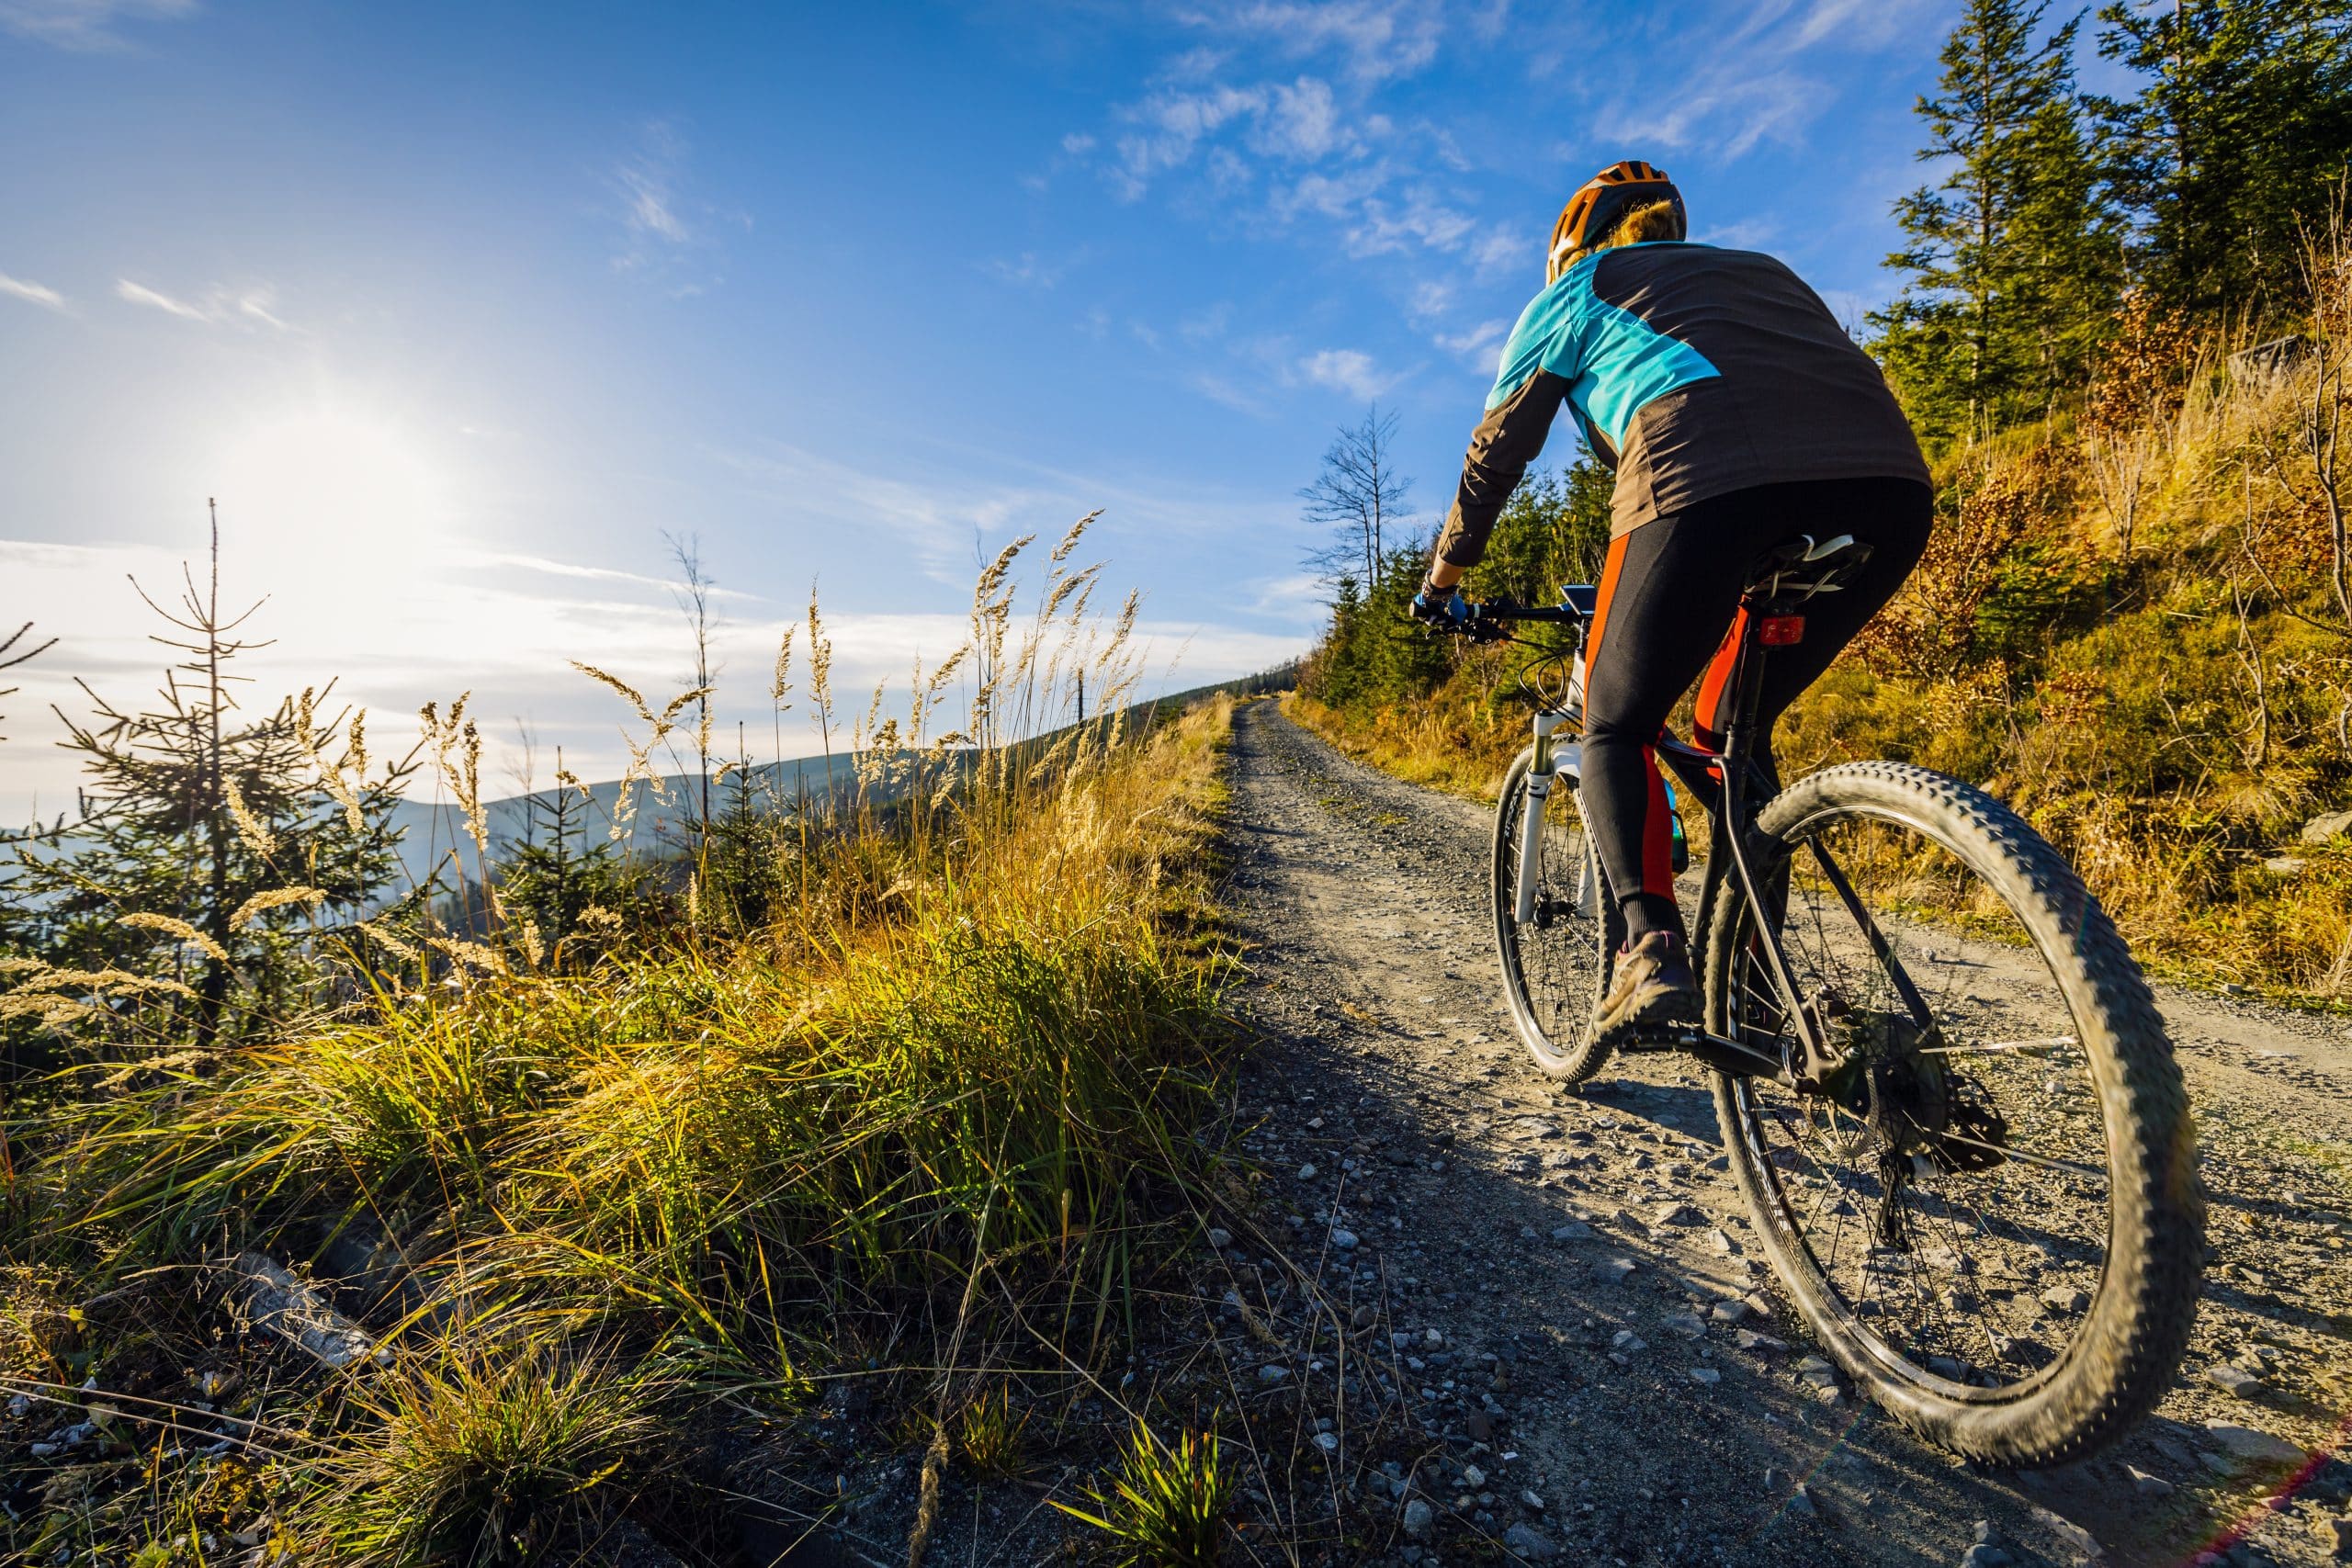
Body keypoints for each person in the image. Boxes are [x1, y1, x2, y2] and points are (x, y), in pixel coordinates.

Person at [1412, 160, 1932, 1043]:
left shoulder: (1576, 290)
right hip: (1888, 486)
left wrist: (1443, 584)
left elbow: (1494, 456)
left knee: (1611, 722)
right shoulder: (1760, 268)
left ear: (1569, 247)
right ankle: (1762, 1004)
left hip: (1706, 474)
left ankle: (1648, 950)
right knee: (1731, 736)